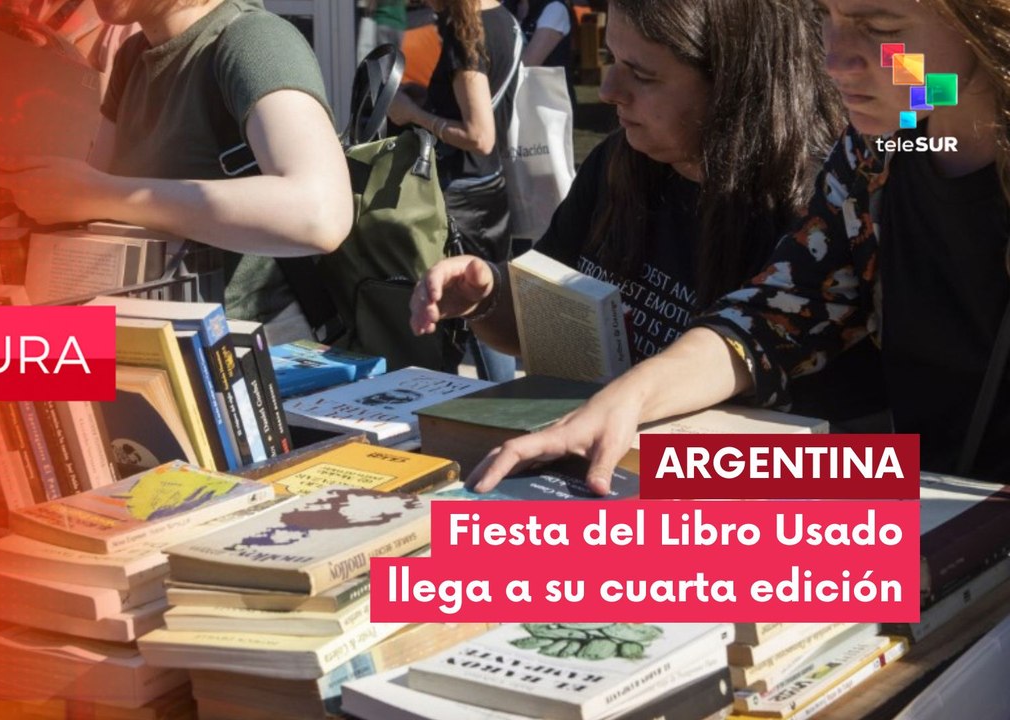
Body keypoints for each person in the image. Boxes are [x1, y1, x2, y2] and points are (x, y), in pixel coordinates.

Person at [463, 0, 1010, 492]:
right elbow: (777, 314)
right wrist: (624, 402)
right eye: (826, 18)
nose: (836, 60)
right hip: (945, 517)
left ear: (986, 24)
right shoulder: (883, 146)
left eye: (881, 27)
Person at [411, 0, 883, 414]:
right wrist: (489, 294)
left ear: (736, 84)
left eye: (642, 74)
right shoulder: (617, 162)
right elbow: (547, 324)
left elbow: (840, 447)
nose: (611, 89)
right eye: (610, 59)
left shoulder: (821, 210)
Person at [0, 0, 353, 342]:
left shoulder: (252, 39)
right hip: (150, 343)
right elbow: (89, 212)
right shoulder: (133, 55)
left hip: (246, 358)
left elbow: (320, 215)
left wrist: (97, 194)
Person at [388, 0, 521, 381]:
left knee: (470, 308)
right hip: (489, 184)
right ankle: (503, 408)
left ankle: (495, 412)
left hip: (462, 193)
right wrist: (431, 98)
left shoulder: (467, 34)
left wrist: (412, 114)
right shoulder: (503, 19)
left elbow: (478, 135)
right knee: (489, 303)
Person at [502, 0, 577, 107]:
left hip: (548, 107)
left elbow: (527, 64)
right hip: (515, 100)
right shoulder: (507, 6)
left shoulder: (555, 9)